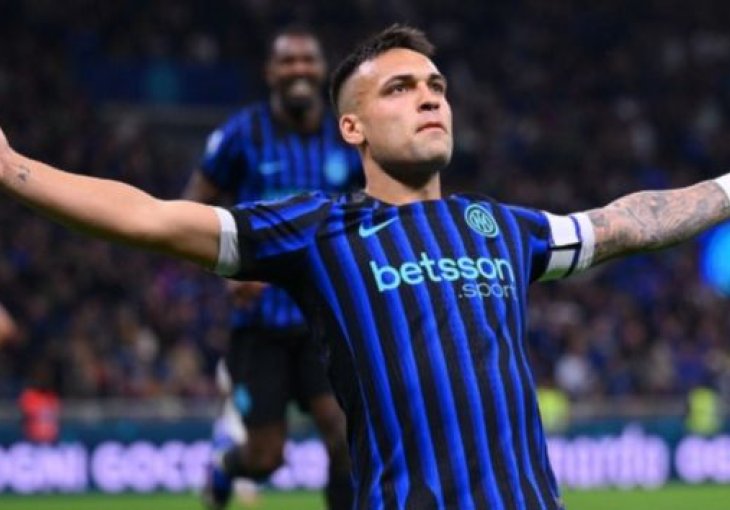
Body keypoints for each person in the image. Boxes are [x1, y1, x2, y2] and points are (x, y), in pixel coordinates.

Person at [1, 24, 729, 510]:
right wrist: (11, 168)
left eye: (436, 86)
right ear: (352, 127)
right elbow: (153, 218)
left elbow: (627, 222)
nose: (429, 97)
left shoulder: (504, 227)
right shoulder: (320, 231)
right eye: (400, 88)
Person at [182, 26, 362, 510]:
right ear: (270, 73)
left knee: (344, 434)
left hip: (326, 317)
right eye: (288, 61)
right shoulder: (242, 133)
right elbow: (190, 208)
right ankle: (226, 466)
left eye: (308, 59)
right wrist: (226, 271)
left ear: (323, 70)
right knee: (265, 458)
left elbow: (374, 206)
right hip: (260, 326)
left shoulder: (346, 134)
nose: (298, 69)